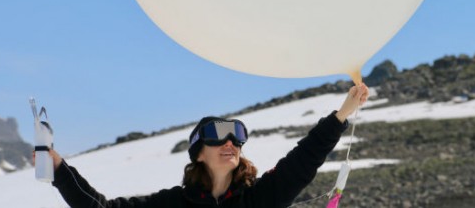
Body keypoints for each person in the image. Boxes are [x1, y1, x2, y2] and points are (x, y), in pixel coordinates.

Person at [45, 84, 369, 208]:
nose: (231, 143)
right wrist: (56, 168)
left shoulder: (260, 198)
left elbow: (304, 159)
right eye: (218, 135)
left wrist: (342, 114)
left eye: (237, 136)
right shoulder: (172, 203)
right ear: (198, 152)